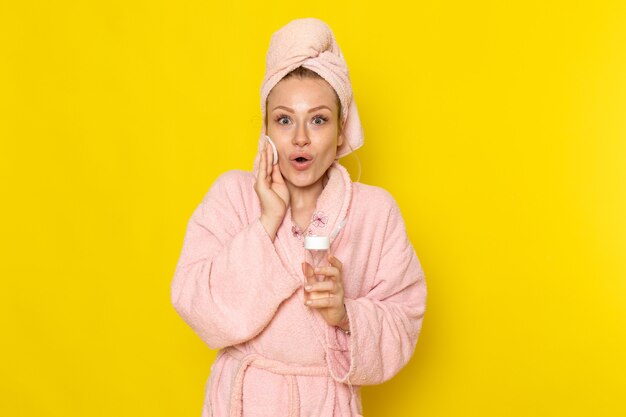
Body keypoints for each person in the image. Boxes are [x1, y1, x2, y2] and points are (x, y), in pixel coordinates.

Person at [170, 17, 427, 417]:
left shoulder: (375, 212)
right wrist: (266, 222)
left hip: (326, 404)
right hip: (243, 401)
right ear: (266, 128)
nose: (301, 137)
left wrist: (347, 315)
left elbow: (404, 319)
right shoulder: (232, 196)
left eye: (319, 119)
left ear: (341, 131)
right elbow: (197, 305)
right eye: (284, 119)